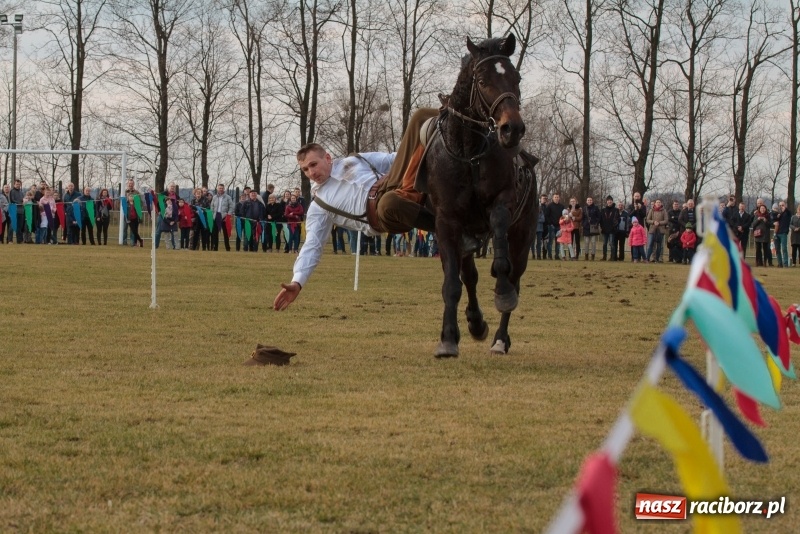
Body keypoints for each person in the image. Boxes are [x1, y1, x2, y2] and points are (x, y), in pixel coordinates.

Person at [273, 108, 447, 310]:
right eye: (305, 169)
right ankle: (451, 230)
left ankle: (471, 119)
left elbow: (394, 160)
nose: (311, 172)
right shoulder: (319, 205)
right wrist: (297, 281)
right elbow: (312, 246)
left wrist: (421, 153)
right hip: (381, 214)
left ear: (327, 158)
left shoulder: (353, 160)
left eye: (313, 164)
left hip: (394, 183)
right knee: (390, 202)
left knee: (420, 117)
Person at [210, 183, 234, 251]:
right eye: (219, 188)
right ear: (217, 189)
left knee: (225, 234)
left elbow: (231, 207)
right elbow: (212, 206)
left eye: (222, 188)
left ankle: (227, 248)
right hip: (216, 217)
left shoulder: (228, 197)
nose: (221, 189)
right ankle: (215, 248)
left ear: (224, 189)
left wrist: (228, 215)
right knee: (215, 234)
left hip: (224, 217)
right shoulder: (214, 197)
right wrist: (212, 214)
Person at [545, 193, 565, 260]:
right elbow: (546, 216)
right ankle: (550, 255)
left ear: (559, 198)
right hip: (551, 226)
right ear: (553, 198)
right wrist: (550, 223)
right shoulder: (549, 206)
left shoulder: (562, 206)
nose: (556, 198)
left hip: (559, 226)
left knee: (558, 242)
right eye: (555, 197)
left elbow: (563, 216)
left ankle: (557, 255)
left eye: (557, 197)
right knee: (550, 241)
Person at [600, 195, 619, 261]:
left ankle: (612, 257)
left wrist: (613, 227)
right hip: (605, 229)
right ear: (606, 202)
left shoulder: (616, 210)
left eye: (610, 200)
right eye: (608, 200)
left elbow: (617, 220)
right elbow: (601, 219)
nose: (609, 202)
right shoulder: (603, 210)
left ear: (612, 201)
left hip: (612, 230)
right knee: (604, 243)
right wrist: (602, 227)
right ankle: (604, 256)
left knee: (611, 243)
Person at [773, 201, 791, 268]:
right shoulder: (778, 213)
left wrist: (785, 209)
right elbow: (773, 219)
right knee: (777, 249)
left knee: (784, 248)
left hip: (783, 233)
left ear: (785, 205)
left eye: (782, 205)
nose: (781, 206)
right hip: (776, 233)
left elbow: (789, 213)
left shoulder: (787, 213)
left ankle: (785, 264)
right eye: (780, 205)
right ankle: (779, 263)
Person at [9, 179, 25, 243]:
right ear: (14, 184)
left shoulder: (21, 192)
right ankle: (10, 240)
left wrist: (24, 201)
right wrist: (20, 202)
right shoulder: (12, 191)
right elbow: (12, 200)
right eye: (16, 184)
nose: (18, 185)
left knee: (19, 226)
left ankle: (19, 240)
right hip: (14, 210)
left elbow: (23, 200)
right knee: (12, 225)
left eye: (19, 184)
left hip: (21, 211)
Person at [533, 194, 547, 259]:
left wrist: (536, 219)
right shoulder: (532, 211)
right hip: (533, 229)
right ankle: (533, 254)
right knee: (532, 243)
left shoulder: (541, 212)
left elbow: (543, 220)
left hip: (540, 229)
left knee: (539, 243)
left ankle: (538, 255)